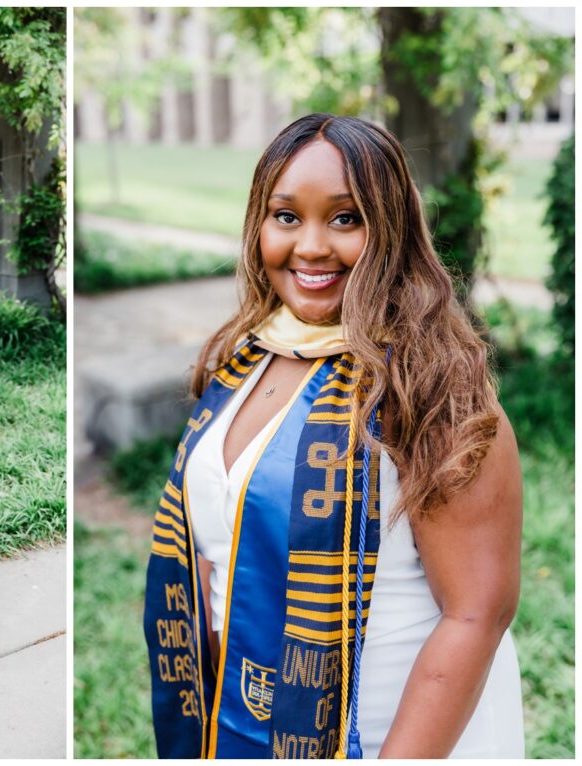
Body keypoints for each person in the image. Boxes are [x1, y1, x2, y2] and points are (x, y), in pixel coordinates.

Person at [143, 113, 524, 759]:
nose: (312, 246)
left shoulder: (433, 390)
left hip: (392, 736)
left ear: (391, 228)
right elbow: (211, 555)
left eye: (346, 218)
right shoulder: (244, 361)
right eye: (286, 216)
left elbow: (476, 615)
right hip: (239, 728)